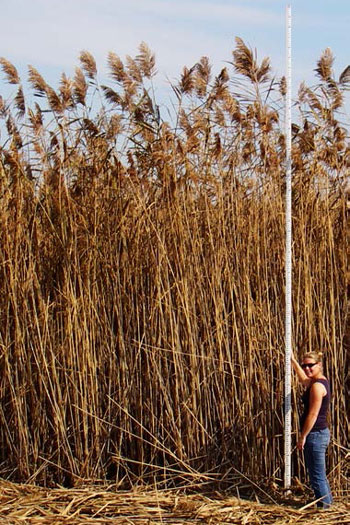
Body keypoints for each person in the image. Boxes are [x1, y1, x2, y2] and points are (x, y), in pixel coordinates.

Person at [291, 351, 333, 509]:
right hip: (317, 434)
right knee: (318, 474)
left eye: (311, 365)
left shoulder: (317, 386)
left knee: (317, 475)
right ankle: (326, 503)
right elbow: (303, 379)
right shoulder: (318, 381)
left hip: (315, 434)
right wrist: (293, 361)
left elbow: (313, 414)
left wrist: (303, 436)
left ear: (320, 365)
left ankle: (325, 507)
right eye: (305, 365)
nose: (307, 368)